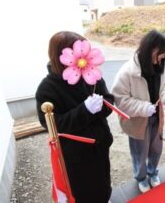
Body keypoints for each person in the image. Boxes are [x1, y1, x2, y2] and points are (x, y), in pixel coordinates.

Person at [35, 31, 114, 203]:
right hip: (76, 155)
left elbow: (109, 99)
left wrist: (101, 105)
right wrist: (84, 110)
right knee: (83, 191)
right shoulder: (47, 88)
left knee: (103, 183)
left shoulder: (90, 75)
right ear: (63, 56)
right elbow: (53, 125)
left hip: (100, 146)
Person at [111, 30, 165, 193]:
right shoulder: (128, 71)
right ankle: (141, 178)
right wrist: (143, 108)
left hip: (156, 117)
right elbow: (119, 99)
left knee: (156, 148)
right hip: (138, 121)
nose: (162, 57)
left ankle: (153, 172)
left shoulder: (160, 66)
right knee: (139, 152)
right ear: (150, 48)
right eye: (161, 53)